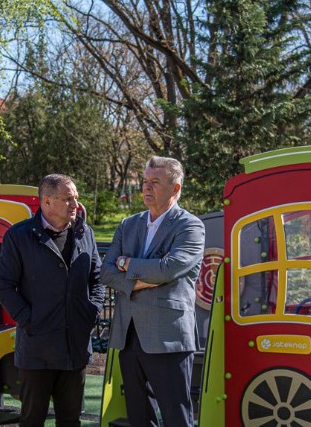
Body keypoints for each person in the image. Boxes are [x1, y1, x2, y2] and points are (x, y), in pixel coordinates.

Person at [0, 174, 105, 427]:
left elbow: (97, 278)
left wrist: (92, 311)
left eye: (75, 198)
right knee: (32, 420)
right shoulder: (20, 236)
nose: (75, 204)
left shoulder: (84, 233)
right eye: (67, 199)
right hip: (37, 350)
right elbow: (3, 286)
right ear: (46, 201)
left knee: (70, 420)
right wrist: (29, 320)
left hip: (75, 348)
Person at [102, 156, 205, 427]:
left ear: (175, 188)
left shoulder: (190, 226)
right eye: (145, 181)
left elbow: (168, 269)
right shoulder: (128, 224)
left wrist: (127, 264)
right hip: (129, 335)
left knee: (176, 417)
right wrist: (142, 279)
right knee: (138, 417)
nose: (146, 188)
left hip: (168, 336)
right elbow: (107, 273)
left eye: (155, 182)